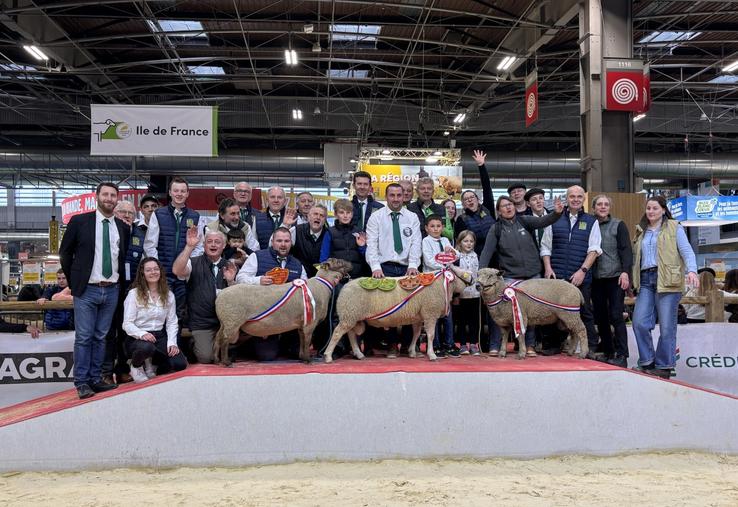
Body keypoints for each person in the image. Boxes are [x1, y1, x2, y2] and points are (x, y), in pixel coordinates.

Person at [60, 182, 130, 399]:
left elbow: (122, 257)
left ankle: (96, 378)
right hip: (86, 290)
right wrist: (74, 282)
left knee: (102, 336)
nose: (109, 198)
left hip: (111, 290)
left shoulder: (123, 227)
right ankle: (81, 382)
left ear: (117, 199)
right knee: (84, 337)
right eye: (105, 194)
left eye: (113, 195)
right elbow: (65, 253)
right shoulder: (80, 222)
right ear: (97, 197)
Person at [479, 195, 563, 356]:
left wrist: (557, 214)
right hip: (510, 278)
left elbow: (543, 221)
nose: (508, 207)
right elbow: (486, 252)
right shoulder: (495, 228)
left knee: (529, 313)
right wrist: (481, 274)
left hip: (533, 275)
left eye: (510, 204)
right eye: (504, 206)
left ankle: (529, 345)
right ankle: (495, 345)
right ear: (499, 211)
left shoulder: (525, 220)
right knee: (499, 311)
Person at [632, 195, 699, 379]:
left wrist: (692, 271)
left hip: (668, 280)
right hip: (646, 280)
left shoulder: (674, 227)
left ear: (663, 210)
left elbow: (687, 251)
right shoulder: (641, 231)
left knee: (667, 327)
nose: (651, 211)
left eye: (654, 208)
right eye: (648, 208)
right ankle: (647, 361)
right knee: (639, 323)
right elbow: (636, 259)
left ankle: (664, 366)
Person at [540, 185, 601, 357]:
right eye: (572, 196)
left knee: (584, 311)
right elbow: (545, 246)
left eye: (579, 197)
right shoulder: (554, 218)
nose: (575, 199)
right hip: (556, 274)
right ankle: (554, 344)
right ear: (567, 198)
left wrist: (582, 271)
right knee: (552, 311)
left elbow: (594, 249)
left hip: (580, 275)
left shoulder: (592, 221)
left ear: (583, 199)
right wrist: (548, 268)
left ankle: (590, 347)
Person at [365, 183, 422, 358]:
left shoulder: (412, 217)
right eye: (392, 195)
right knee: (388, 309)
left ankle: (406, 345)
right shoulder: (376, 218)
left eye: (399, 195)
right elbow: (371, 244)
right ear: (386, 196)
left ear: (404, 196)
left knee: (409, 308)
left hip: (407, 268)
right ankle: (391, 345)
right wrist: (375, 267)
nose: (396, 199)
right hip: (384, 268)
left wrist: (413, 264)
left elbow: (415, 243)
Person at [235, 227, 307, 361]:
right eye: (279, 241)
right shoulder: (257, 256)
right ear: (272, 242)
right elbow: (240, 278)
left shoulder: (298, 265)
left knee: (297, 353)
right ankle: (248, 343)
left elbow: (305, 290)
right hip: (263, 318)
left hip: (289, 320)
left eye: (286, 241)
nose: (283, 244)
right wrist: (258, 280)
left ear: (291, 243)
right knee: (266, 356)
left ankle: (282, 344)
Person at [454, 149, 497, 353]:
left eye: (472, 197)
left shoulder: (488, 209)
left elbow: (487, 188)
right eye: (465, 199)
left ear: (478, 199)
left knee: (489, 304)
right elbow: (459, 243)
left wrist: (482, 166)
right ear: (462, 204)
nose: (469, 200)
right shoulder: (461, 220)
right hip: (469, 265)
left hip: (491, 262)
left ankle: (485, 342)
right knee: (470, 308)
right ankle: (467, 342)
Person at [172, 228, 237, 364]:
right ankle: (193, 343)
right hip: (202, 322)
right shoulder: (193, 262)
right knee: (206, 358)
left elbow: (237, 297)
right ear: (204, 245)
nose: (213, 245)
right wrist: (189, 247)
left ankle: (217, 345)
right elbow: (176, 270)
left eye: (217, 242)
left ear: (224, 245)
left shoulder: (230, 265)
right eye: (209, 242)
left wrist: (231, 281)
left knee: (231, 348)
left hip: (223, 322)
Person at [143, 177, 201, 326]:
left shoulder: (195, 216)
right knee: (160, 312)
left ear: (188, 193)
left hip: (183, 276)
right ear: (170, 192)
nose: (179, 194)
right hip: (163, 275)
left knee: (180, 313)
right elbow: (150, 245)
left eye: (183, 191)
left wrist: (186, 267)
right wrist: (158, 269)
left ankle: (177, 347)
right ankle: (162, 347)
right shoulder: (159, 214)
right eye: (176, 190)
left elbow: (198, 248)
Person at [122, 258, 187, 383]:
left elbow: (172, 322)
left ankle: (153, 365)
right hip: (137, 337)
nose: (153, 272)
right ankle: (136, 366)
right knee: (147, 348)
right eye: (148, 270)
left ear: (161, 272)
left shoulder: (168, 295)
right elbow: (127, 324)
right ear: (142, 273)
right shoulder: (134, 294)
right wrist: (142, 334)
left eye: (156, 269)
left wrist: (172, 343)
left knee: (179, 364)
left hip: (159, 335)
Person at [591, 195, 633, 367]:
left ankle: (622, 355)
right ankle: (608, 352)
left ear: (610, 207)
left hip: (615, 276)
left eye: (606, 204)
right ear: (593, 208)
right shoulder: (589, 224)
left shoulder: (618, 225)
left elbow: (626, 251)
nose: (603, 207)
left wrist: (625, 272)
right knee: (600, 317)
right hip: (595, 278)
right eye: (599, 204)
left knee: (616, 315)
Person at [421, 215, 458, 357]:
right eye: (432, 226)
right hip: (432, 280)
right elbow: (429, 261)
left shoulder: (445, 240)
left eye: (438, 226)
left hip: (446, 281)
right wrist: (444, 266)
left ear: (443, 227)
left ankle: (449, 343)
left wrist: (452, 252)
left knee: (447, 312)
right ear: (426, 228)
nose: (436, 229)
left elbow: (456, 256)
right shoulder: (426, 241)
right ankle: (435, 344)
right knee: (433, 314)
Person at [320, 198, 367, 279]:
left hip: (357, 275)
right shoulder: (330, 232)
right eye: (341, 212)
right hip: (337, 276)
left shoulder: (359, 231)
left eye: (348, 212)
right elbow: (323, 257)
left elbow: (367, 256)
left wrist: (362, 246)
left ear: (352, 214)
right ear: (335, 214)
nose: (345, 216)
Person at [455, 230, 480, 355]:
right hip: (461, 294)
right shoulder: (456, 257)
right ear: (460, 242)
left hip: (475, 294)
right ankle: (463, 344)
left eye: (471, 241)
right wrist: (455, 295)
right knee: (461, 321)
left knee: (474, 320)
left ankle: (474, 344)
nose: (469, 244)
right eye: (465, 241)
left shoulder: (477, 255)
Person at [291, 204, 328, 277]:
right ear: (308, 216)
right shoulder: (296, 230)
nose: (318, 217)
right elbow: (274, 245)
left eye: (321, 215)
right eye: (315, 214)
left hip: (320, 279)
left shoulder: (329, 235)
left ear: (325, 220)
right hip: (299, 277)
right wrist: (285, 225)